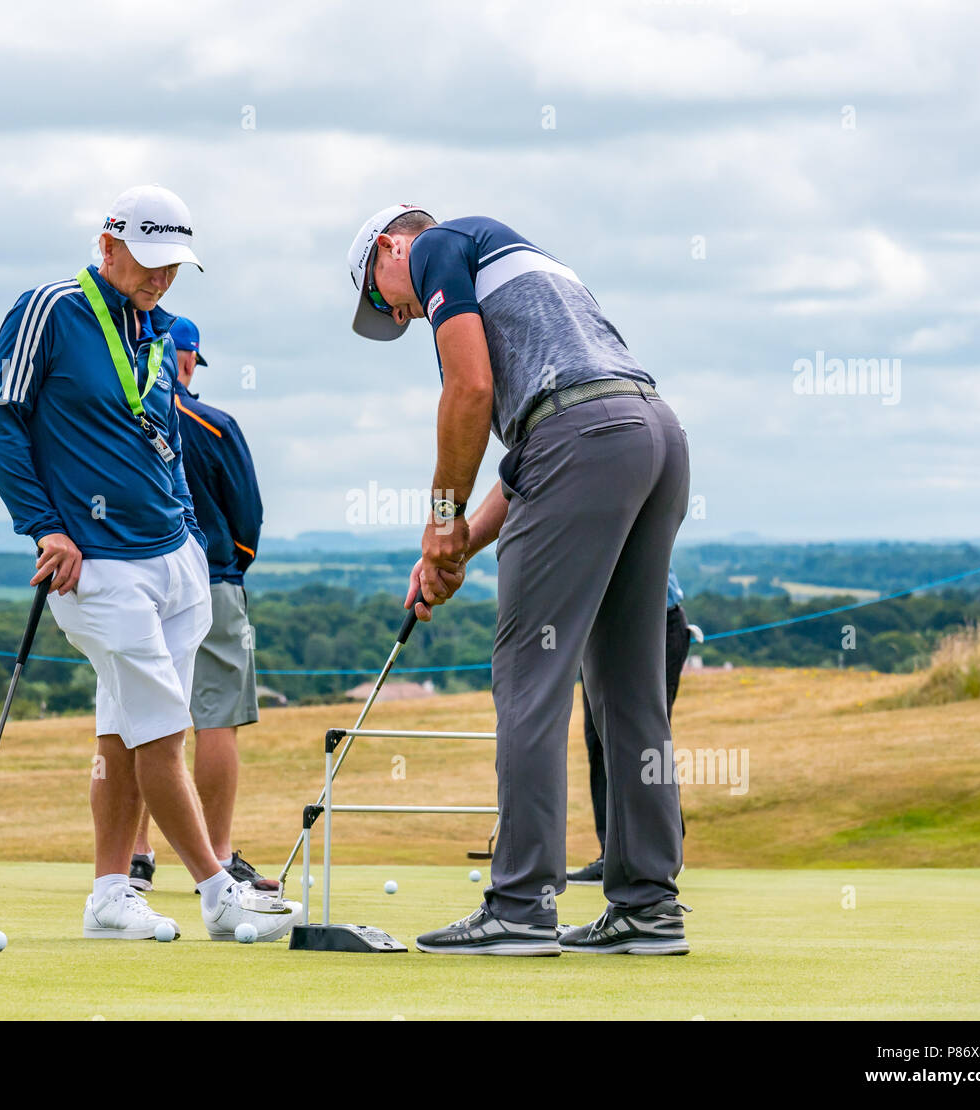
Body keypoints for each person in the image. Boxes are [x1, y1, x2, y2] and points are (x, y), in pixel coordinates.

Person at [346, 205, 690, 955]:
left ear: (387, 247)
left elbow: (468, 391)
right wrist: (458, 543)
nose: (397, 315)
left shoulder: (437, 244)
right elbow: (533, 455)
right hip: (652, 435)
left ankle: (519, 905)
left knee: (529, 675)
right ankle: (646, 908)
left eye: (383, 299)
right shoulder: (528, 268)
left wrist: (441, 517)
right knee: (628, 687)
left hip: (587, 441)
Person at [0, 183, 298, 942]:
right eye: (148, 261)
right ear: (108, 243)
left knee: (123, 727)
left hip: (175, 558)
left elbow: (163, 441)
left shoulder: (152, 328)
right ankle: (219, 893)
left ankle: (111, 896)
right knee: (162, 727)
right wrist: (44, 527)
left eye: (174, 266)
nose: (160, 278)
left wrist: (188, 533)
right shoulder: (50, 310)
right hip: (96, 564)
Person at [128, 316, 277, 894]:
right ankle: (214, 856)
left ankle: (136, 854)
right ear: (185, 359)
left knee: (141, 717)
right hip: (210, 578)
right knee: (217, 720)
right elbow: (248, 519)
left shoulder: (123, 419)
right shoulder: (214, 425)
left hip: (137, 576)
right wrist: (232, 564)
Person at [567, 566, 691, 885]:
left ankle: (662, 854)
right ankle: (612, 855)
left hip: (657, 625)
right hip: (605, 627)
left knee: (647, 741)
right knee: (599, 738)